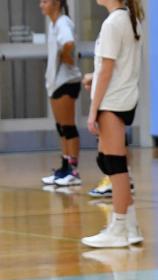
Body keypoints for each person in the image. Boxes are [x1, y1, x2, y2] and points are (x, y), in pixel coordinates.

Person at [81, 0, 144, 249]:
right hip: (123, 97)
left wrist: (93, 109)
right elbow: (114, 67)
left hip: (112, 101)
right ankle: (130, 225)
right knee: (110, 162)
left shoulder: (112, 23)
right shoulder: (129, 19)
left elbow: (107, 69)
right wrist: (92, 78)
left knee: (115, 167)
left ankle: (118, 227)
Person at [40, 0, 83, 188]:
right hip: (55, 83)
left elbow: (69, 43)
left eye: (45, 1)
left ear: (56, 3)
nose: (41, 5)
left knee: (68, 127)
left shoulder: (63, 22)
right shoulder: (53, 24)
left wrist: (65, 56)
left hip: (67, 81)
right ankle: (65, 166)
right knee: (61, 128)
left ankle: (73, 170)